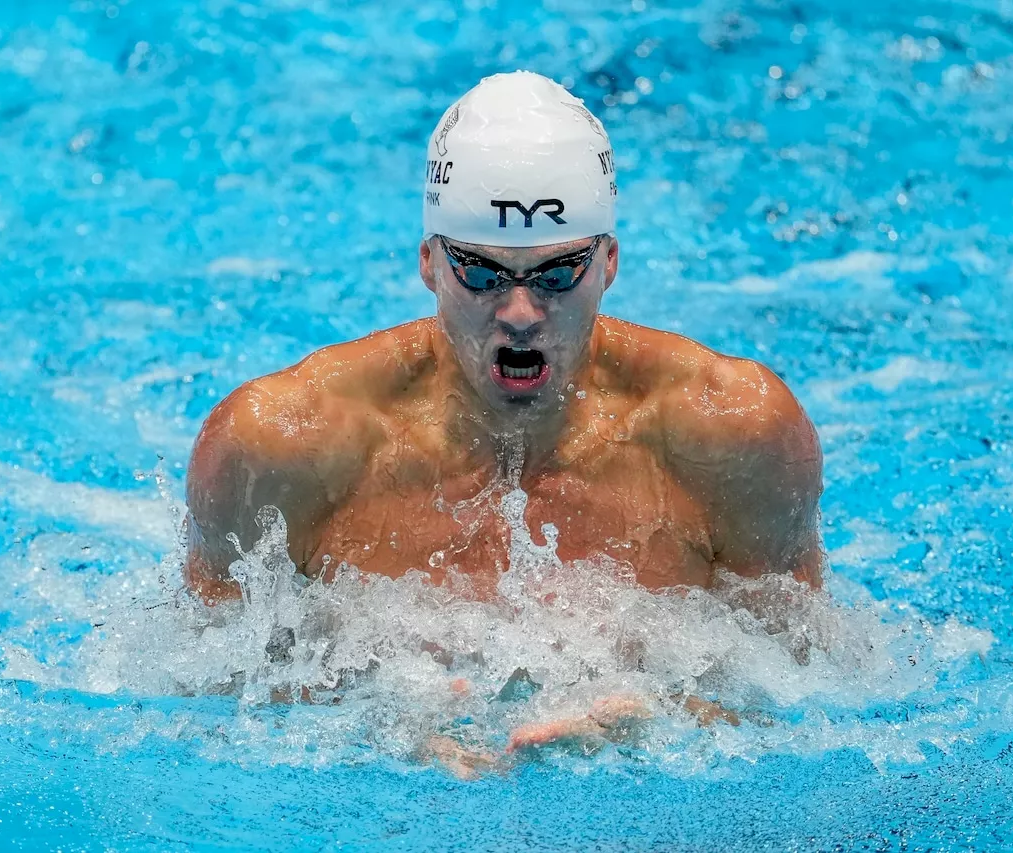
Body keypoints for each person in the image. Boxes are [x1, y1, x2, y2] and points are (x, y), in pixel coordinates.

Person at [182, 71, 823, 767]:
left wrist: (669, 721)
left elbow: (815, 696)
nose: (520, 312)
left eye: (556, 273)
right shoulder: (282, 445)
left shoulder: (731, 434)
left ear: (608, 261)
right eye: (484, 273)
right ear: (430, 263)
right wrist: (381, 729)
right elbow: (201, 698)